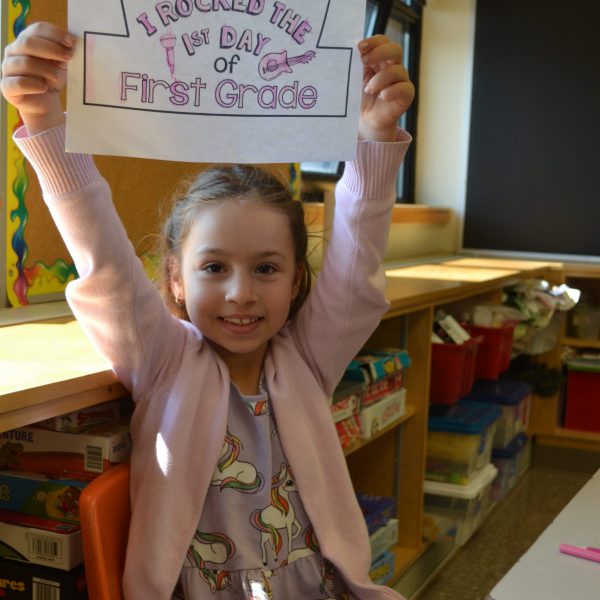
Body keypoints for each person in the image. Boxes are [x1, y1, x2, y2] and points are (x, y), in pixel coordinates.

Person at [1, 21, 414, 600]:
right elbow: (104, 256)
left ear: (298, 279)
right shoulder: (165, 359)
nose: (241, 293)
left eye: (266, 269)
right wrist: (42, 119)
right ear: (173, 277)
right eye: (214, 267)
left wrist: (374, 135)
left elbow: (357, 259)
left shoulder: (308, 357)